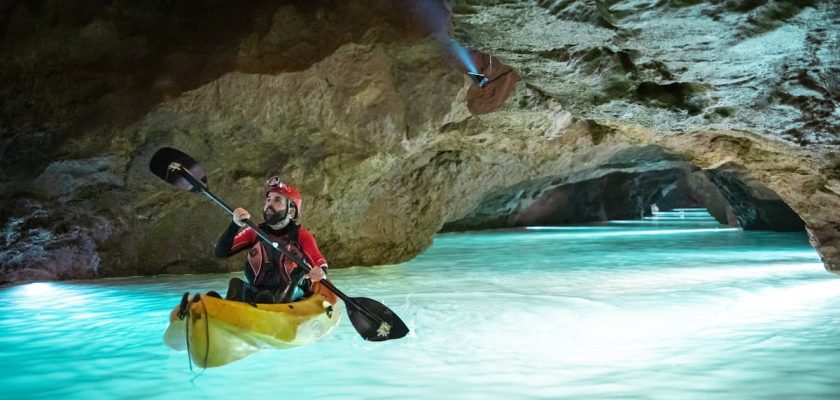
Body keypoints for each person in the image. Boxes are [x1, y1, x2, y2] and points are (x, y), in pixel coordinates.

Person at [213, 176, 328, 304]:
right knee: (235, 284)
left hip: (290, 294)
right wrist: (235, 225)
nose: (269, 204)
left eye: (277, 200)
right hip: (257, 292)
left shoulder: (302, 235)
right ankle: (229, 311)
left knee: (284, 289)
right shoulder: (254, 231)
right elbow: (220, 252)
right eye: (268, 200)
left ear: (291, 210)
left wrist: (320, 271)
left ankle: (267, 306)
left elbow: (319, 262)